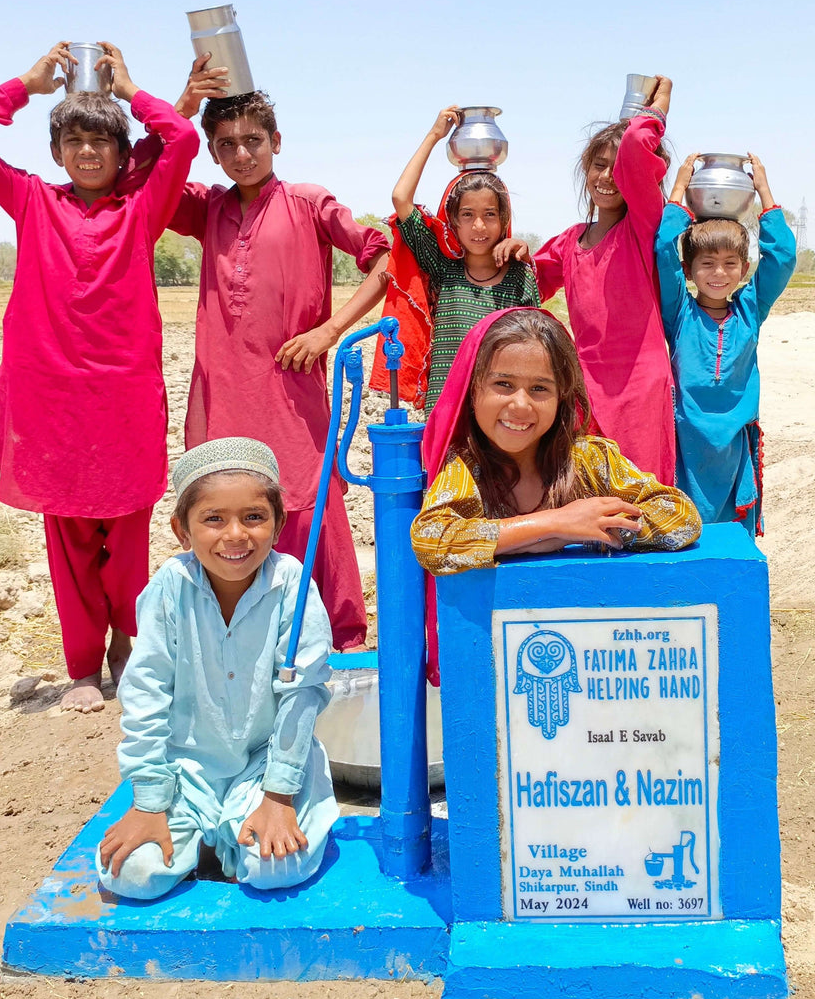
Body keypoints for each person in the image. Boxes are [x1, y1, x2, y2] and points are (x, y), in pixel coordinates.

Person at [0, 42, 200, 714]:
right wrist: (25, 85)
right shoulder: (30, 200)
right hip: (48, 402)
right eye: (74, 141)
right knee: (71, 540)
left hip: (124, 401)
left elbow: (180, 137)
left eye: (100, 142)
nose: (87, 152)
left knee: (128, 540)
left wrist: (131, 89)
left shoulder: (142, 211)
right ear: (56, 153)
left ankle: (130, 649)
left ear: (120, 152)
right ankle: (83, 665)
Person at [164, 72, 391, 652]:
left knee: (310, 498)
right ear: (212, 150)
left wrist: (331, 330)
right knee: (230, 501)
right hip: (223, 388)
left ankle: (342, 635)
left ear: (277, 141)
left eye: (254, 141)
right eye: (226, 145)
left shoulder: (309, 203)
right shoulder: (204, 209)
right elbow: (149, 177)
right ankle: (241, 634)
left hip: (291, 386)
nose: (241, 154)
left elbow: (384, 256)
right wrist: (184, 104)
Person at [97, 438, 339, 898]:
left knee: (276, 871)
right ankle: (207, 836)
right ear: (181, 530)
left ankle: (230, 837)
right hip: (186, 771)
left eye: (254, 517)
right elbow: (145, 690)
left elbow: (302, 693)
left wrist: (279, 797)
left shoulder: (293, 584)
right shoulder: (170, 587)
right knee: (132, 874)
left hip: (267, 767)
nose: (235, 535)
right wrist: (149, 800)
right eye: (213, 519)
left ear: (278, 523)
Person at [411, 308, 701, 577]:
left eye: (539, 388)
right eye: (503, 385)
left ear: (561, 396)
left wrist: (588, 528)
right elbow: (430, 540)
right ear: (473, 392)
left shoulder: (588, 459)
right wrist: (553, 524)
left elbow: (681, 517)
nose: (521, 405)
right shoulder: (467, 468)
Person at [532, 77, 676, 484]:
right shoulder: (568, 242)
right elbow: (527, 288)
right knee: (594, 491)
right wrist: (512, 249)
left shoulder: (643, 227)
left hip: (640, 385)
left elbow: (634, 151)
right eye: (598, 165)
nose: (608, 176)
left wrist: (656, 110)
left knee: (642, 494)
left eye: (617, 167)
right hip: (588, 385)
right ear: (585, 169)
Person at [655, 153, 796, 535]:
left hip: (733, 447)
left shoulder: (750, 309)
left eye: (730, 264)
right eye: (707, 264)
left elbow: (782, 257)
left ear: (744, 269)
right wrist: (680, 190)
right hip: (686, 442)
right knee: (686, 532)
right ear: (689, 270)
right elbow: (664, 251)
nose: (719, 273)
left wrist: (763, 191)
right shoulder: (679, 313)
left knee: (732, 539)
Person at [377, 106, 538, 411]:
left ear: (504, 219)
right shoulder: (443, 269)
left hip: (498, 414)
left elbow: (532, 349)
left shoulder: (521, 278)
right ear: (453, 221)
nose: (479, 226)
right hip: (445, 411)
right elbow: (401, 198)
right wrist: (435, 135)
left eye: (490, 215)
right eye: (468, 215)